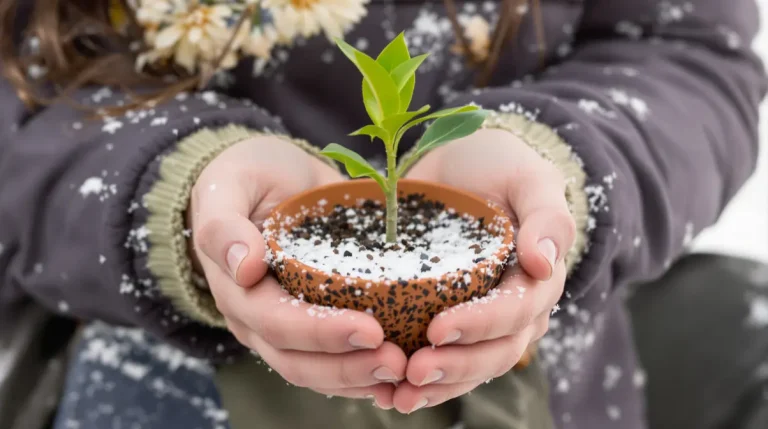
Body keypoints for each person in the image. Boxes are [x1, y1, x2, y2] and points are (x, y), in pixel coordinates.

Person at [0, 0, 764, 428]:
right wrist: (172, 194)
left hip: (544, 391)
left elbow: (680, 48)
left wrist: (561, 161)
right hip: (143, 380)